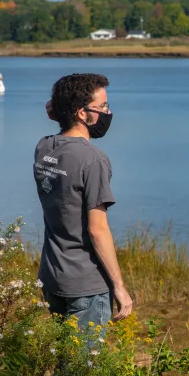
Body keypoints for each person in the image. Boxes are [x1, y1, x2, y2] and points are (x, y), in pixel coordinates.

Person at [34, 73, 133, 332]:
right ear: (81, 113)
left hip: (53, 277)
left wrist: (61, 110)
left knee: (64, 353)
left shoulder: (45, 148)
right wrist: (119, 287)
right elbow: (97, 230)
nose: (108, 112)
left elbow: (54, 113)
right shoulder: (93, 160)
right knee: (83, 359)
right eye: (103, 107)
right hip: (86, 285)